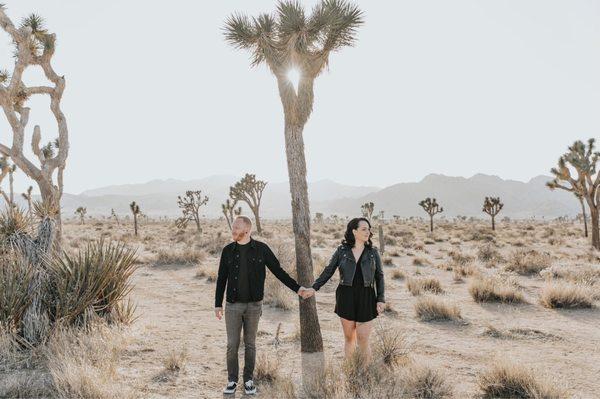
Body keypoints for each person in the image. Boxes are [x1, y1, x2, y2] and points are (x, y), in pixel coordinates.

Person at [214, 215, 311, 395]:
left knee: (250, 344)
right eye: (233, 227)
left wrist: (297, 289)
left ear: (247, 230)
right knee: (232, 344)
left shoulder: (261, 249)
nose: (233, 230)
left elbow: (279, 272)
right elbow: (221, 279)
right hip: (233, 305)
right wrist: (217, 304)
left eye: (236, 227)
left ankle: (248, 380)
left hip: (254, 305)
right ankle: (232, 381)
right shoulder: (227, 250)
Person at [301, 217, 385, 362]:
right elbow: (328, 270)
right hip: (346, 295)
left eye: (369, 229)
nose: (368, 232)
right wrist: (315, 288)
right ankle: (350, 370)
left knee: (363, 338)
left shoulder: (373, 252)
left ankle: (365, 373)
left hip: (367, 296)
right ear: (354, 231)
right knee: (349, 337)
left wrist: (381, 299)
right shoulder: (342, 251)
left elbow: (380, 276)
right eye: (364, 229)